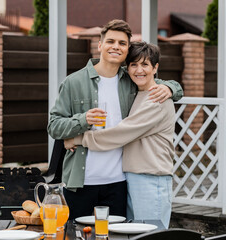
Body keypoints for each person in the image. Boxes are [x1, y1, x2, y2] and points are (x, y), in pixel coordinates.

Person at [47, 19, 183, 220]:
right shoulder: (73, 82)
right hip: (80, 182)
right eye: (110, 41)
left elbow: (155, 83)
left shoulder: (130, 80)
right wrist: (82, 120)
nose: (116, 47)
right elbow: (54, 127)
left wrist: (172, 87)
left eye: (122, 43)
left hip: (119, 182)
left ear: (127, 49)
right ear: (100, 45)